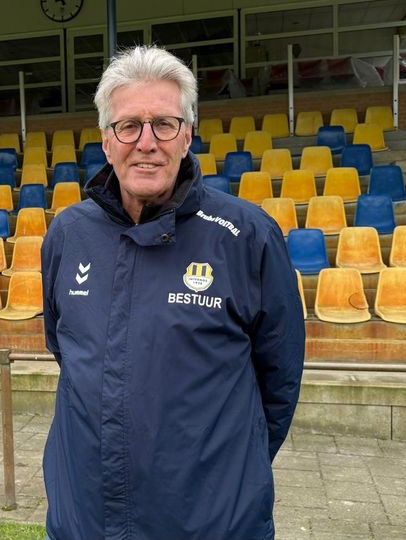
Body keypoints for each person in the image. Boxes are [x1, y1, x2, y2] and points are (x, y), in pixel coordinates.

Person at [40, 45, 306, 539]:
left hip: (212, 522)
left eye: (164, 124)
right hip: (86, 518)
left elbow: (280, 379)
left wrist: (222, 471)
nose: (146, 142)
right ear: (106, 140)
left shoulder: (246, 235)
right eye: (128, 126)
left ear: (186, 136)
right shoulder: (68, 233)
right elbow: (68, 350)